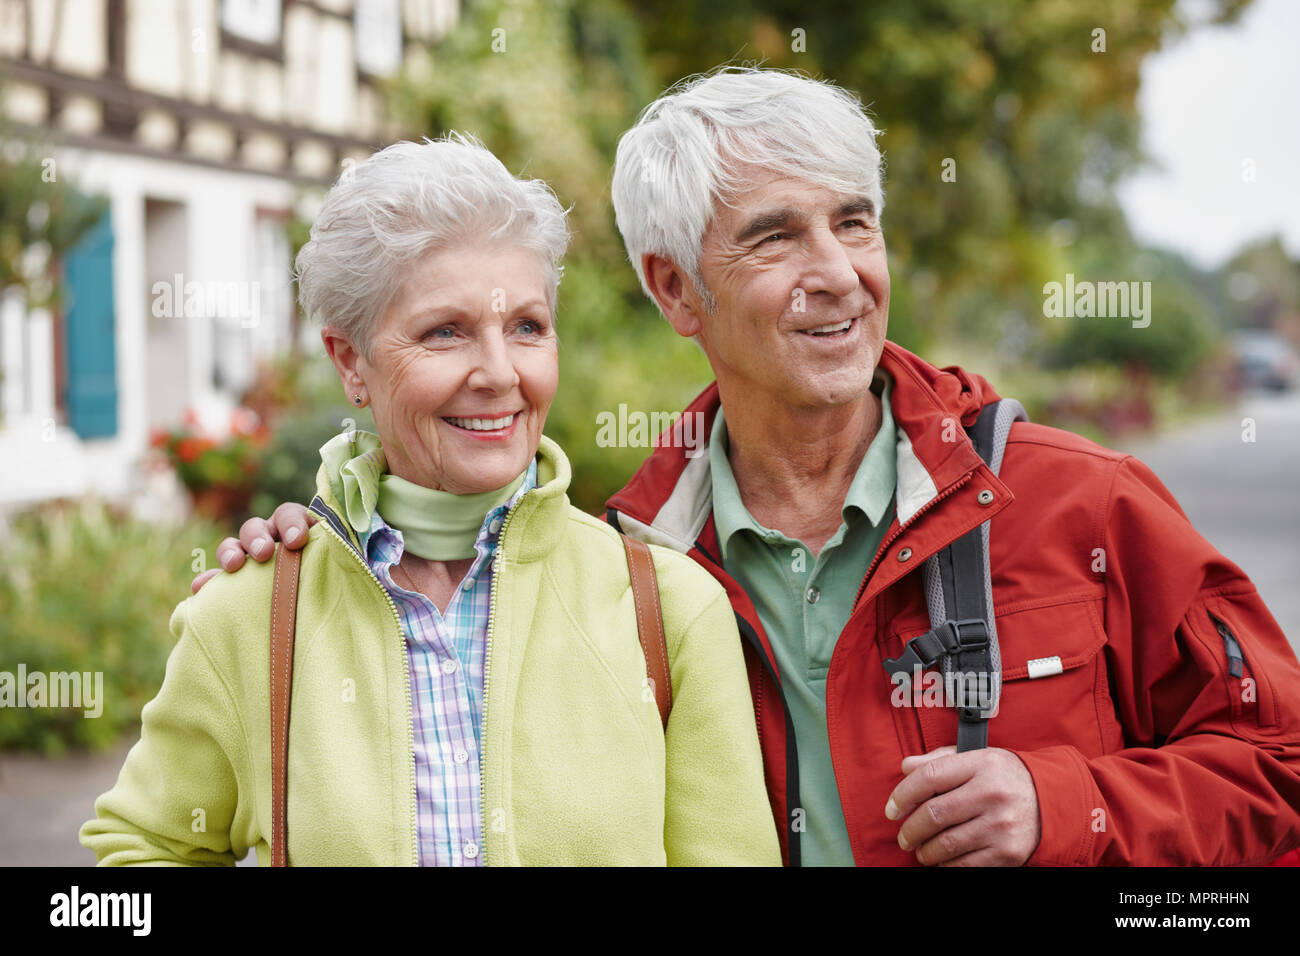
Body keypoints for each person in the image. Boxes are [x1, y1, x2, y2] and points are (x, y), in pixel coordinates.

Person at [203, 69, 1300, 866]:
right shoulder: (628, 568)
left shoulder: (1077, 500)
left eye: (854, 224)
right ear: (676, 291)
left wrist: (1071, 805)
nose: (839, 276)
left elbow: (1282, 765)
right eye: (774, 238)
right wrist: (317, 561)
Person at [81, 134, 781, 867]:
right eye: (445, 332)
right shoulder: (251, 617)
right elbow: (143, 848)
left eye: (526, 328)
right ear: (351, 361)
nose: (498, 373)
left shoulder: (668, 613)